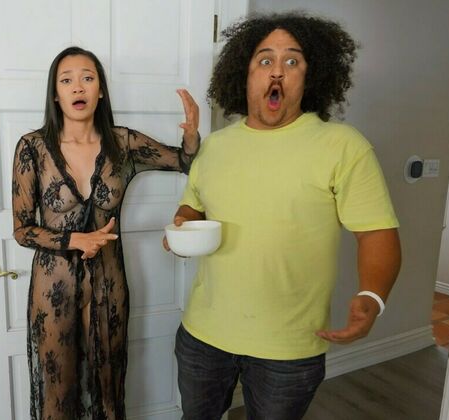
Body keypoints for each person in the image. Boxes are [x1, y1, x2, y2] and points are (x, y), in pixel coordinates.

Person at [165, 12, 402, 420]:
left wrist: (372, 296)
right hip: (203, 335)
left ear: (310, 77)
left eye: (292, 61)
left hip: (289, 350)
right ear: (245, 75)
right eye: (265, 60)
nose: (277, 71)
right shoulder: (215, 147)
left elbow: (376, 232)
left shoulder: (343, 146)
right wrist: (182, 226)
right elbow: (193, 207)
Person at [12, 46, 200, 420]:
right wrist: (74, 240)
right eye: (66, 80)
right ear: (55, 94)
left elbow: (184, 161)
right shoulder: (32, 147)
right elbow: (22, 231)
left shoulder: (123, 143)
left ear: (100, 90)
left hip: (108, 284)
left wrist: (192, 135)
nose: (78, 87)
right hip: (55, 286)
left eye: (88, 78)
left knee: (107, 390)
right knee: (58, 394)